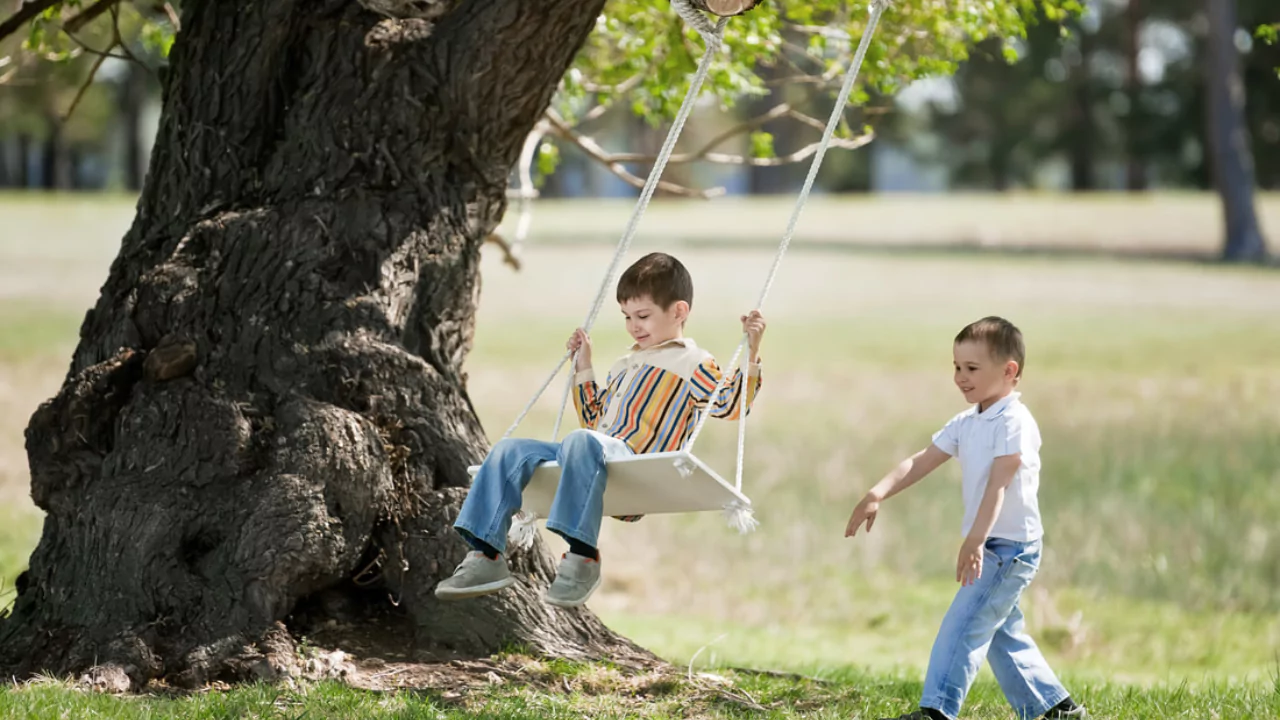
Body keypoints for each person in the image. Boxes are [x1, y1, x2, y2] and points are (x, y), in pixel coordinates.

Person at [436, 252, 766, 607]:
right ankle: (486, 555)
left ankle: (582, 557)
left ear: (679, 312)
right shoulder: (627, 363)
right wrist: (584, 366)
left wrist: (752, 351)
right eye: (626, 317)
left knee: (581, 442)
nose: (633, 326)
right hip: (596, 452)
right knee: (508, 451)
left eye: (643, 316)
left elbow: (729, 406)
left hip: (637, 464)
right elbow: (593, 423)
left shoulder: (693, 361)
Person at [845, 317, 1086, 720]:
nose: (960, 377)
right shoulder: (969, 421)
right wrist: (877, 492)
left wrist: (975, 540)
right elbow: (923, 459)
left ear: (1009, 371)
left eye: (972, 369)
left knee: (962, 626)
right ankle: (1054, 710)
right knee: (1000, 634)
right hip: (990, 543)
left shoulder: (1014, 422)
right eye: (956, 367)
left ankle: (937, 710)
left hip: (1009, 548)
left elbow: (1000, 486)